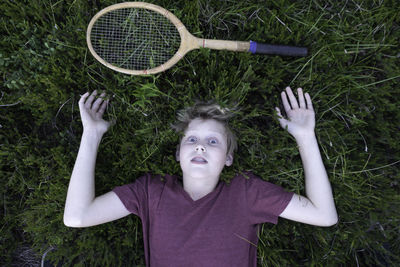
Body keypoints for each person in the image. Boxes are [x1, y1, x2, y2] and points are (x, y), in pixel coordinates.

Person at [63, 87, 338, 266]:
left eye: (214, 142)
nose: (200, 146)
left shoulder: (246, 193)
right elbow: (77, 216)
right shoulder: (150, 192)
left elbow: (324, 215)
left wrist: (304, 136)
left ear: (229, 158)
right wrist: (92, 133)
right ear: (178, 153)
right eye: (191, 138)